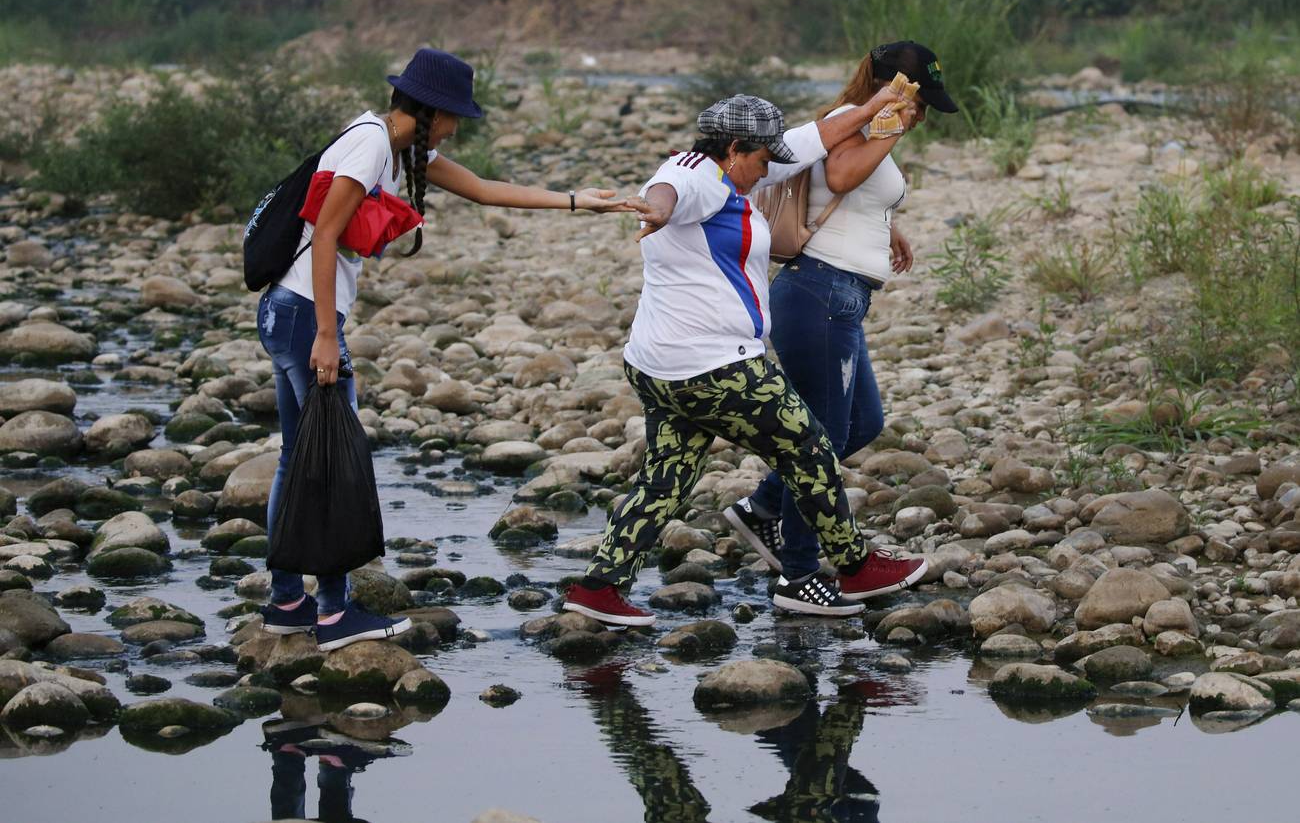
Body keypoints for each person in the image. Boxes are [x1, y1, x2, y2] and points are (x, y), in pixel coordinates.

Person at [258, 47, 631, 650]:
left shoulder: (390, 140)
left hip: (286, 313)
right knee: (331, 462)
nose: (457, 128)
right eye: (454, 115)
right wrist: (328, 336)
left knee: (298, 457)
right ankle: (332, 615)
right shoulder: (372, 146)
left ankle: (286, 601)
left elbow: (482, 190)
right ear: (431, 111)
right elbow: (325, 235)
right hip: (305, 318)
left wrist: (574, 200)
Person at [562, 91, 924, 628]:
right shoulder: (695, 178)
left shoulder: (733, 173)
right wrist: (654, 210)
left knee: (667, 481)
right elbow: (667, 191)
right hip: (713, 368)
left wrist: (875, 107)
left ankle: (598, 588)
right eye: (762, 160)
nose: (768, 171)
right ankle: (845, 569)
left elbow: (812, 140)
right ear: (734, 149)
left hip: (659, 366)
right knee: (811, 449)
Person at [724, 41, 958, 616]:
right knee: (819, 438)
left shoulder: (869, 125)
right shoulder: (847, 121)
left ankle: (763, 507)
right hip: (819, 292)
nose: (922, 112)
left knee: (864, 422)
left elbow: (854, 194)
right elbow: (843, 172)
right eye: (919, 99)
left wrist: (889, 227)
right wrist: (894, 121)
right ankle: (799, 575)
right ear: (895, 87)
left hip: (840, 294)